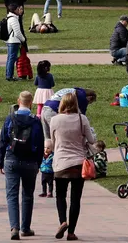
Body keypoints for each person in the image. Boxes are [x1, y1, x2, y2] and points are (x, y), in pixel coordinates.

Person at [44, 91, 95, 241]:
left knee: (60, 195)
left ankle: (62, 221)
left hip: (60, 163)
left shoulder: (55, 120)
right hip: (78, 163)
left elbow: (53, 143)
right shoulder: (82, 119)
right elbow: (91, 140)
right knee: (75, 199)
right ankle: (71, 232)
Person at [0, 91, 47, 240]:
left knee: (12, 195)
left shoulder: (10, 118)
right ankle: (25, 228)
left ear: (18, 101)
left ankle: (14, 227)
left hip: (12, 159)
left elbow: (3, 141)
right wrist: (38, 163)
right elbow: (40, 143)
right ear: (31, 103)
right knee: (27, 195)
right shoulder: (35, 121)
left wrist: (1, 161)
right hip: (30, 162)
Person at [5, 3, 27, 82]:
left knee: (9, 58)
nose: (19, 10)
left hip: (10, 41)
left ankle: (8, 74)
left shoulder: (9, 17)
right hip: (13, 41)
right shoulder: (13, 19)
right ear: (14, 10)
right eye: (18, 9)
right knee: (12, 58)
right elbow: (17, 32)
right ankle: (9, 76)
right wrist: (23, 39)